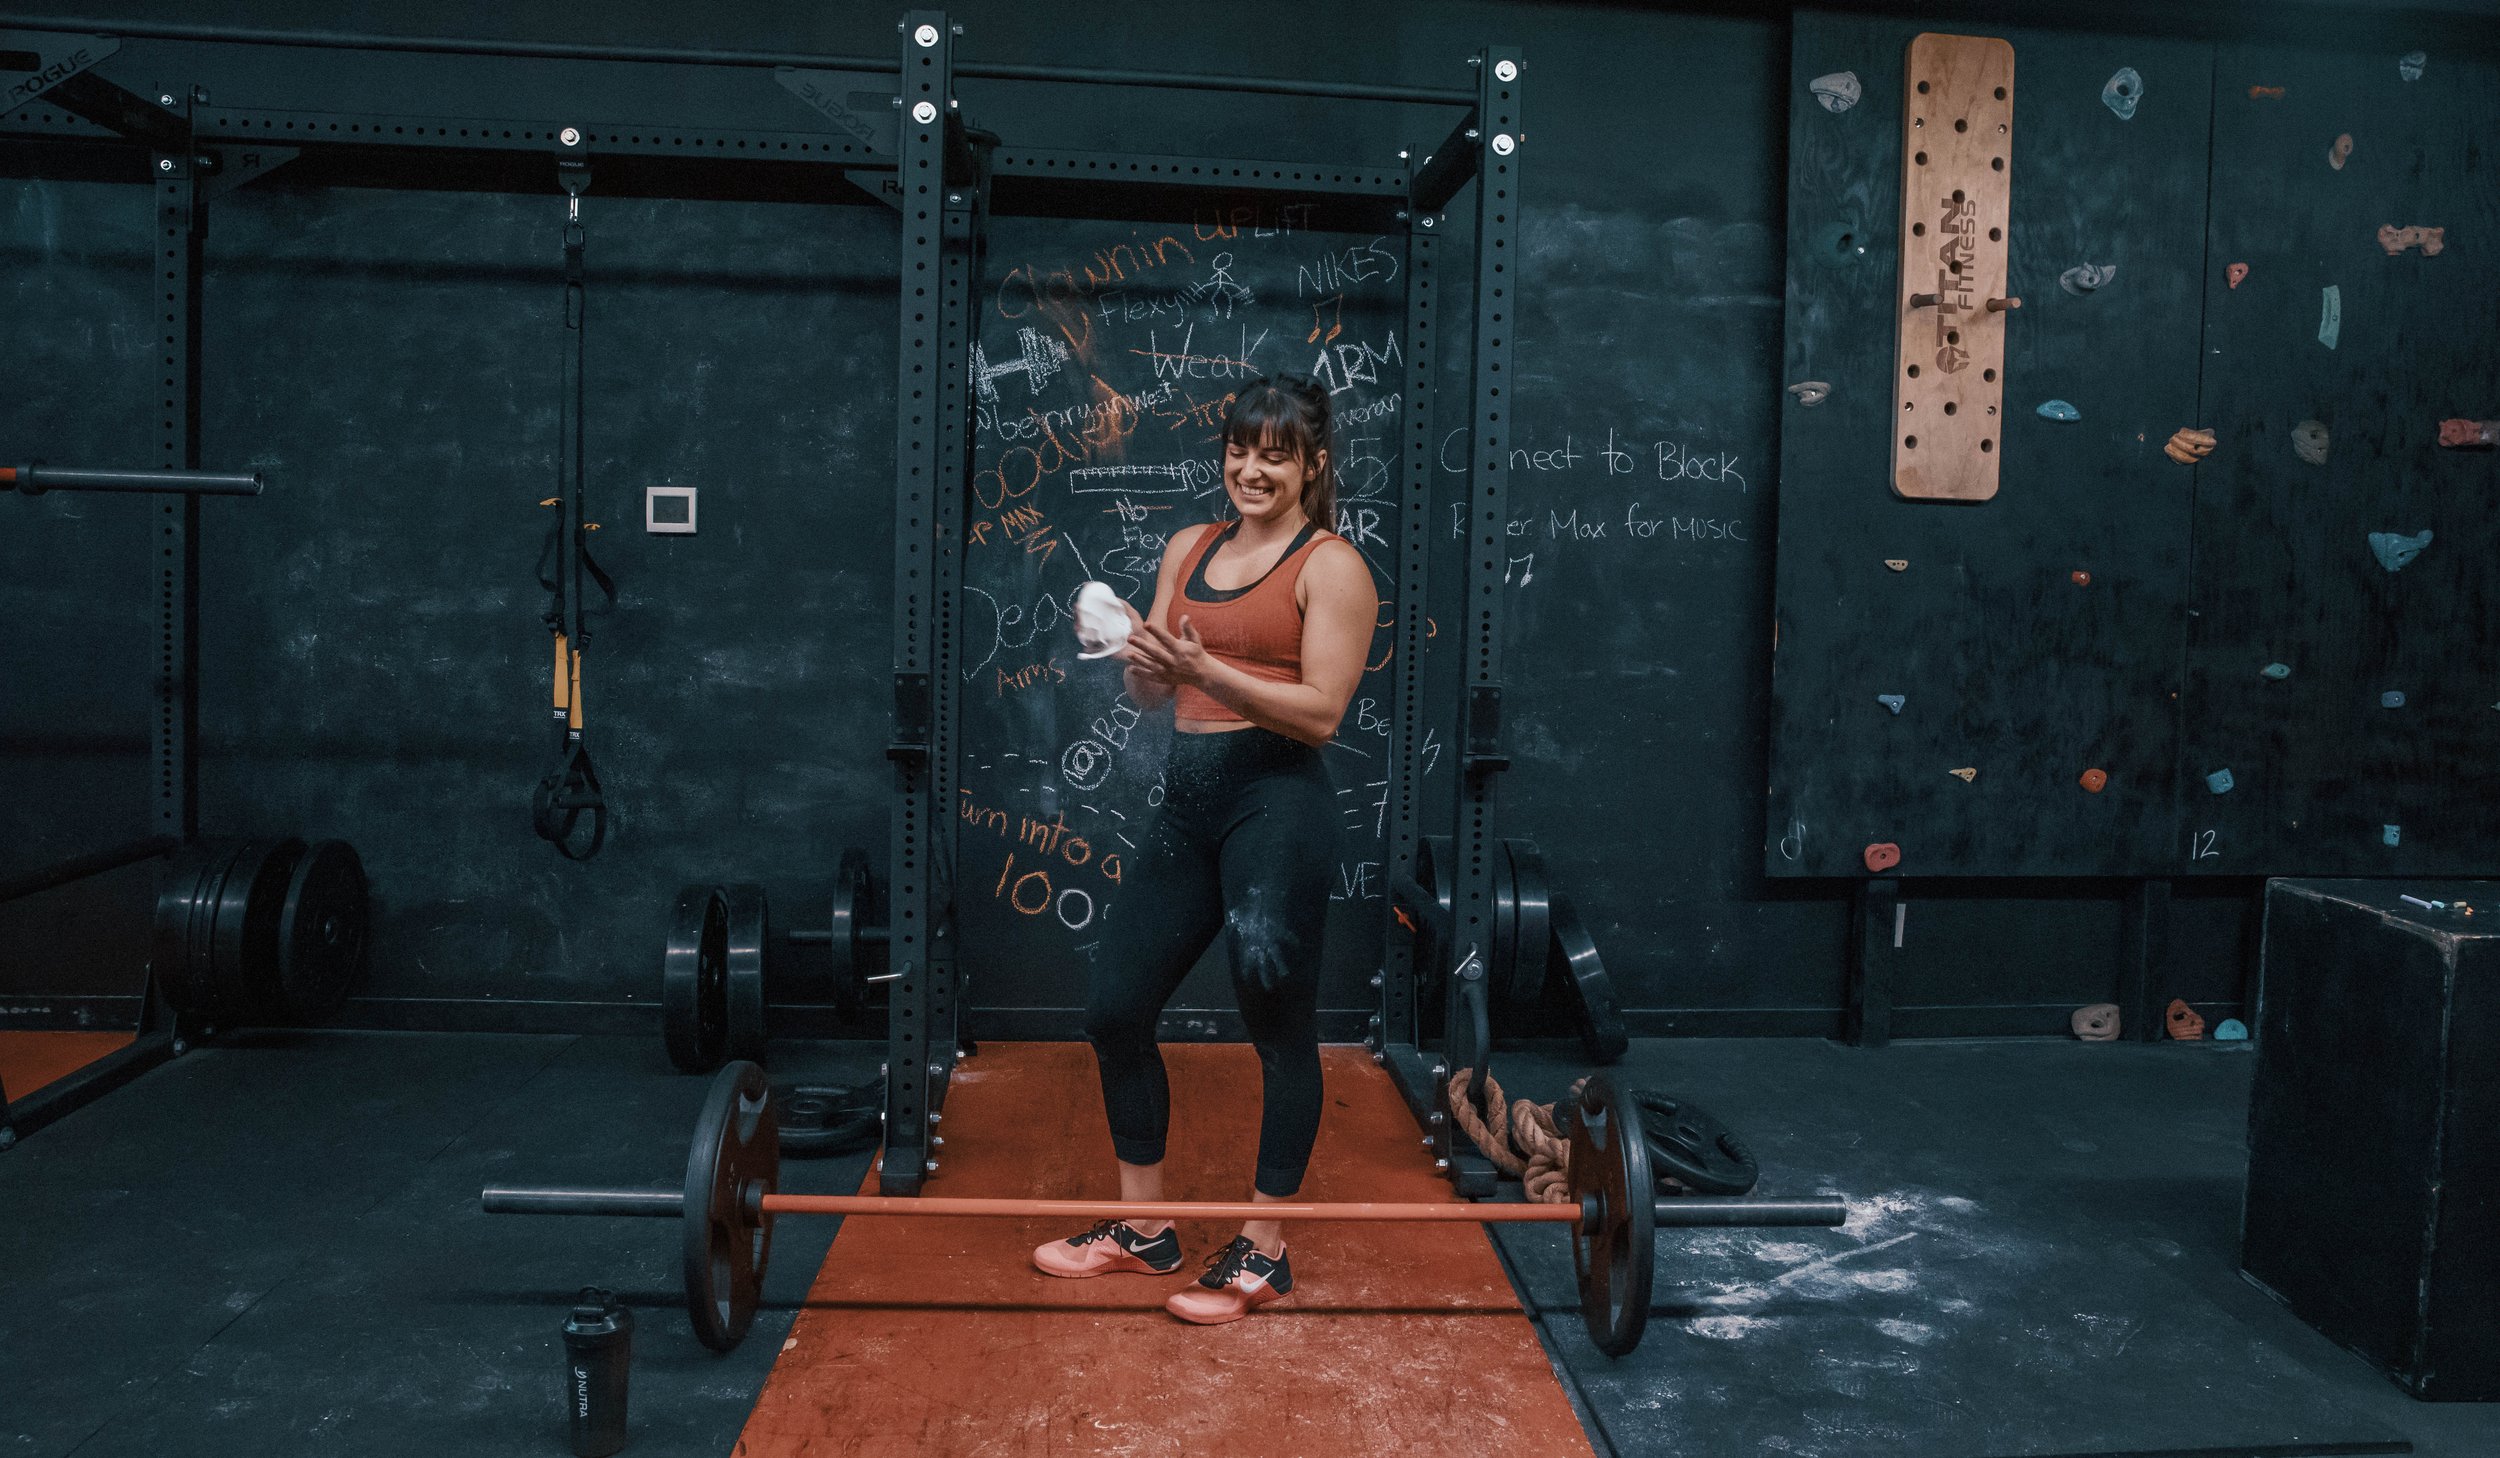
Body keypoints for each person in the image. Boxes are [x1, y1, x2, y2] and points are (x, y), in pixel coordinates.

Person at [1031, 375, 1379, 1324]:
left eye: (1275, 454)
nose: (1251, 469)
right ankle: (1145, 1229)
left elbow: (1321, 715)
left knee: (1277, 1028)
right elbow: (1158, 695)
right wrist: (1134, 656)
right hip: (1188, 809)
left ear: (1312, 464)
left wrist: (1203, 665)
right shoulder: (1190, 547)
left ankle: (1265, 1252)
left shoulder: (1331, 567)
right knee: (1114, 1009)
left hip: (1277, 812)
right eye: (1239, 449)